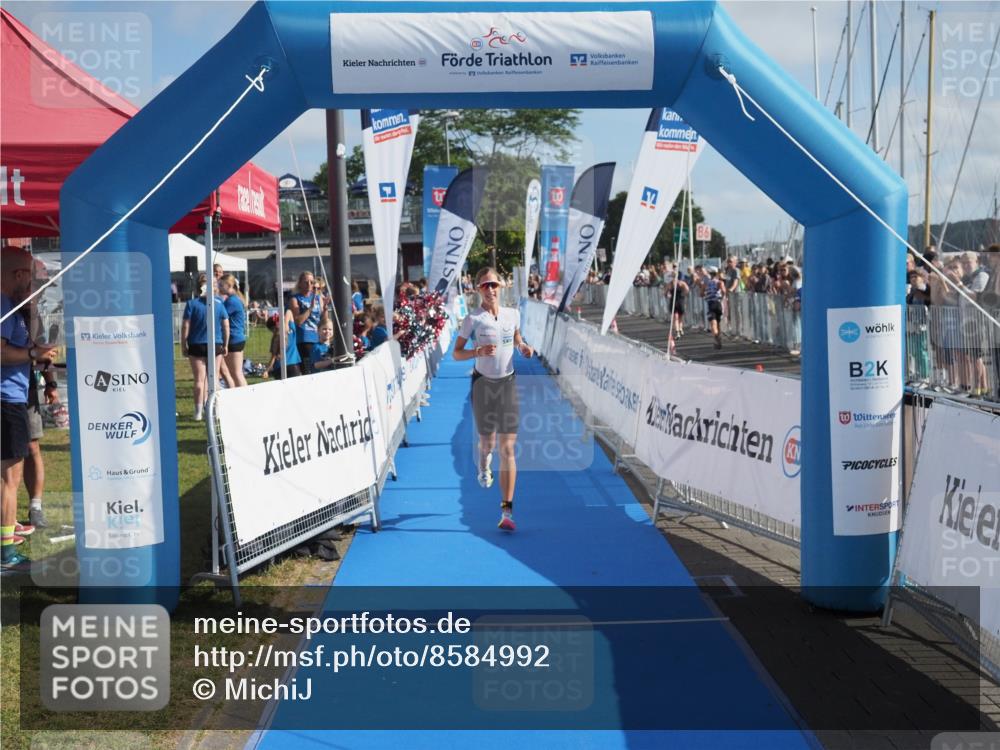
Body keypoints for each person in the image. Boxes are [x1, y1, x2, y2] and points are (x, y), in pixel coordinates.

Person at [452, 267, 533, 532]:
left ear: (501, 287)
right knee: (488, 443)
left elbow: (517, 337)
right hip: (483, 386)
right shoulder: (472, 319)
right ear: (478, 289)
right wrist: (478, 350)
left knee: (507, 449)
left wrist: (522, 346)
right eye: (485, 285)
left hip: (508, 383)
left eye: (494, 285)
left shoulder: (513, 314)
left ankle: (507, 511)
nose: (491, 290)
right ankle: (483, 463)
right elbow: (456, 354)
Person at [2, 246, 57, 569]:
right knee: (8, 479)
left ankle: (6, 541)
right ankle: (5, 554)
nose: (34, 284)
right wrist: (32, 356)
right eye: (31, 277)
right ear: (19, 275)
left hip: (13, 398)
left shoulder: (14, 306)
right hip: (5, 399)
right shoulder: (4, 305)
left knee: (9, 475)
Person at [181, 277, 229, 421]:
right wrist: (226, 344)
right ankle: (215, 410)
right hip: (215, 343)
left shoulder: (191, 304)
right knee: (213, 379)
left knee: (199, 380)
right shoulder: (219, 304)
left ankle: (198, 412)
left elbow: (185, 326)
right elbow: (226, 326)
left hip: (196, 344)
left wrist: (183, 344)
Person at [290, 272, 327, 374]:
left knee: (319, 368)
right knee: (308, 370)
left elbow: (323, 320)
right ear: (300, 284)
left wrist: (325, 309)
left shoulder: (318, 297)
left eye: (312, 282)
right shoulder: (295, 299)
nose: (309, 285)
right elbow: (298, 321)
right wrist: (310, 308)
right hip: (305, 338)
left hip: (318, 337)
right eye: (306, 282)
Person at [219, 274, 248, 389]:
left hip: (234, 339)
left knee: (236, 373)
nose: (220, 287)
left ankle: (245, 397)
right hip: (236, 338)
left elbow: (220, 315)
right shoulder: (233, 299)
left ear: (230, 285)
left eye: (222, 285)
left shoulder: (232, 301)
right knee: (234, 373)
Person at [263, 309, 302, 379]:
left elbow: (273, 357)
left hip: (279, 367)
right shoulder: (291, 328)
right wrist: (286, 322)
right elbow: (289, 311)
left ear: (273, 329)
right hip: (293, 365)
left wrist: (266, 370)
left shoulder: (276, 339)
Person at [703, 266, 726, 349]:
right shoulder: (719, 282)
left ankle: (716, 338)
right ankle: (718, 339)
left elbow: (701, 292)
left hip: (711, 303)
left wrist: (706, 295)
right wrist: (721, 297)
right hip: (718, 303)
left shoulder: (707, 283)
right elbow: (723, 291)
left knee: (713, 323)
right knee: (718, 322)